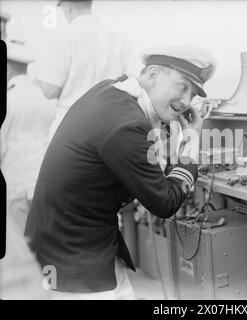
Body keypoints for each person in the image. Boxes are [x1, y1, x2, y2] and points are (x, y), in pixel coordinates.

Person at [25, 45, 217, 299]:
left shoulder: (111, 91)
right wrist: (191, 142)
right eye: (182, 86)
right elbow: (165, 202)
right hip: (74, 261)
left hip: (81, 241)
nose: (185, 102)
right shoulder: (126, 124)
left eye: (192, 95)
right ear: (152, 73)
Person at [37, 0, 138, 140]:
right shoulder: (118, 36)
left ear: (68, 7)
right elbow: (133, 79)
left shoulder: (65, 35)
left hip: (71, 125)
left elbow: (50, 90)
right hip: (109, 125)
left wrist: (36, 78)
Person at [1, 38, 56, 236]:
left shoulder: (10, 98)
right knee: (36, 246)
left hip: (13, 185)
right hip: (40, 184)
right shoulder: (44, 97)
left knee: (15, 249)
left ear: (7, 69)